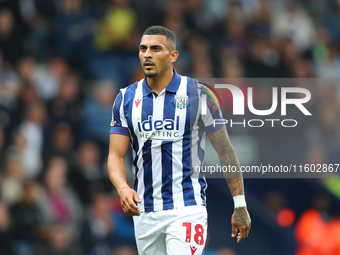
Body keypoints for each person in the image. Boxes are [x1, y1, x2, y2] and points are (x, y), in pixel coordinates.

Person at [107, 25, 251, 255]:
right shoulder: (125, 98)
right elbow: (115, 154)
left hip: (186, 208)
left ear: (173, 55)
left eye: (155, 48)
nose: (147, 54)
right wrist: (123, 188)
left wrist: (240, 203)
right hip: (145, 213)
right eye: (143, 48)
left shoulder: (200, 94)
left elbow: (225, 151)